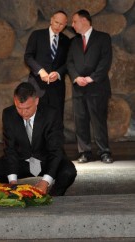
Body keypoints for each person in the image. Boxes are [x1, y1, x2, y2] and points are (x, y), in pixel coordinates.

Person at [0, 82, 77, 196]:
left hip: (46, 159)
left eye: (27, 108)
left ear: (36, 101)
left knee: (68, 172)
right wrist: (13, 183)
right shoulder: (8, 114)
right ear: (14, 101)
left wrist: (45, 181)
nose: (23, 112)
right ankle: (14, 193)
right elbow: (10, 150)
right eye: (19, 108)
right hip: (22, 159)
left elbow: (56, 150)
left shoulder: (51, 114)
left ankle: (53, 195)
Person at [67, 9, 113, 164]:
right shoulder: (74, 41)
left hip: (97, 87)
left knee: (98, 120)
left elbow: (105, 61)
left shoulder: (103, 38)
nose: (72, 24)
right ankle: (85, 152)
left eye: (74, 21)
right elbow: (70, 63)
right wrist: (76, 77)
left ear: (84, 20)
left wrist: (91, 78)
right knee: (80, 121)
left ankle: (104, 152)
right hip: (79, 88)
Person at [24, 10, 70, 121]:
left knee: (56, 119)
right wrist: (40, 71)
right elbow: (28, 57)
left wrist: (58, 73)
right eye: (56, 22)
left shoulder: (67, 41)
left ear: (65, 25)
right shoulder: (37, 35)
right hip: (37, 85)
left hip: (57, 88)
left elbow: (68, 63)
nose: (58, 26)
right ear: (51, 20)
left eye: (61, 24)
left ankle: (54, 139)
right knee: (35, 119)